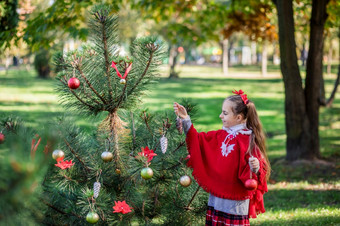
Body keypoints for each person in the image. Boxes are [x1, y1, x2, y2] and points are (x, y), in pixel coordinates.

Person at [173, 89, 270, 226]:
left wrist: (255, 167)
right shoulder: (221, 135)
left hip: (234, 199)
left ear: (239, 117)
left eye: (225, 113)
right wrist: (186, 119)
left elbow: (255, 173)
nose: (220, 116)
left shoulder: (247, 141)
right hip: (217, 194)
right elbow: (199, 141)